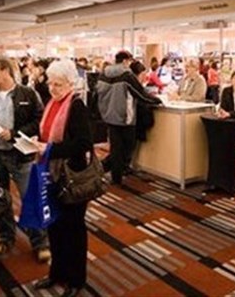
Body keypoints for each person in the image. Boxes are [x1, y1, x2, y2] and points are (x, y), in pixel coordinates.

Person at [0, 58, 50, 262]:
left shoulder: (27, 93)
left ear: (6, 71)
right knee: (1, 200)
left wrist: (16, 133)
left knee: (30, 199)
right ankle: (6, 238)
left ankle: (40, 242)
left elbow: (39, 120)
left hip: (20, 155)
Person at [32, 59, 93, 297]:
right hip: (50, 173)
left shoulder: (76, 106)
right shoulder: (52, 104)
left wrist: (48, 150)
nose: (53, 88)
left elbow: (83, 143)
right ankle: (57, 273)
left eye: (58, 84)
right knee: (55, 227)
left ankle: (76, 279)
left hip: (71, 175)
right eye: (50, 83)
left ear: (70, 84)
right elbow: (45, 134)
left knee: (73, 229)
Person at [97, 51, 156, 184]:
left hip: (109, 115)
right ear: (125, 61)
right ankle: (116, 173)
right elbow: (139, 93)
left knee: (116, 147)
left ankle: (113, 174)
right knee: (127, 147)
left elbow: (98, 93)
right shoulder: (127, 75)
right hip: (125, 117)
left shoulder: (104, 73)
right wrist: (156, 101)